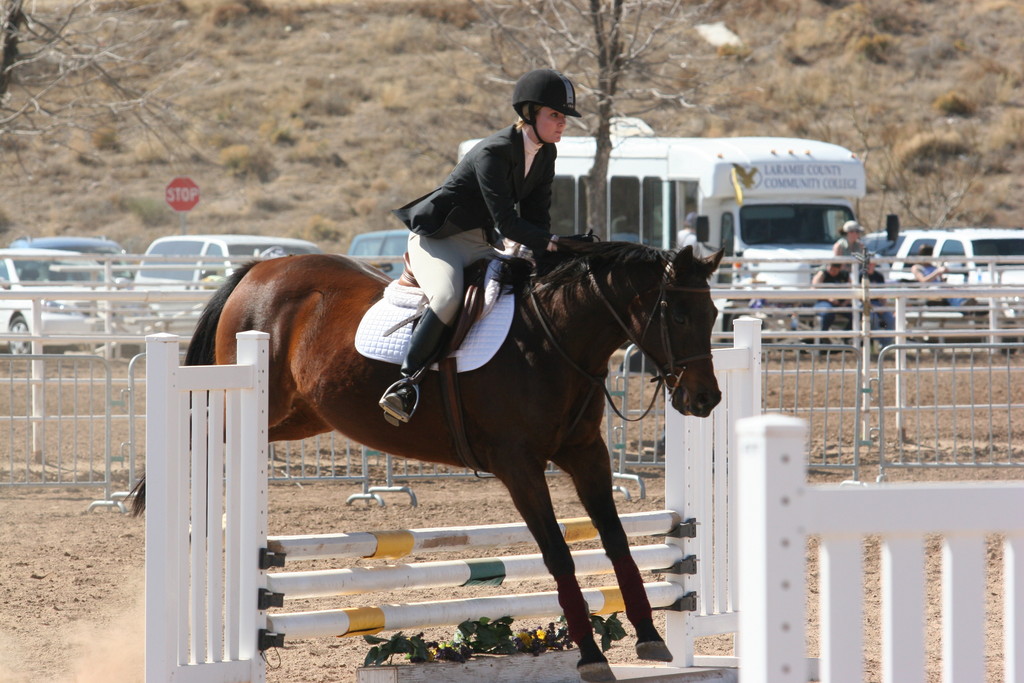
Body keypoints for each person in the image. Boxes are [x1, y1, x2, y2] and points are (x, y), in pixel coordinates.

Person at [379, 68, 581, 426]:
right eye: (555, 115)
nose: (562, 123)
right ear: (530, 113)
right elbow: (507, 221)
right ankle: (405, 384)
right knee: (447, 298)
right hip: (437, 240)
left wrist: (550, 253)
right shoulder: (494, 151)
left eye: (564, 116)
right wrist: (549, 242)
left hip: (478, 242)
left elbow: (537, 216)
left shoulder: (545, 154)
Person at [861, 259, 895, 349]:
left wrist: (883, 307)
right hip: (864, 304)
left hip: (878, 303)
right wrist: (875, 307)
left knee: (891, 319)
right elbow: (860, 298)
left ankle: (886, 346)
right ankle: (879, 340)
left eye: (873, 264)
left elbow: (883, 295)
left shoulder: (878, 276)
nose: (871, 266)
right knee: (872, 318)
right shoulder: (861, 275)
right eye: (869, 264)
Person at [811, 262, 852, 334]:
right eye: (830, 269)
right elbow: (814, 289)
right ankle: (823, 336)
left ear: (839, 269)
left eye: (834, 270)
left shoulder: (845, 275)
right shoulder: (823, 274)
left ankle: (846, 336)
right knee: (827, 313)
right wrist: (829, 298)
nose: (831, 272)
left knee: (857, 314)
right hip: (824, 302)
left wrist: (845, 303)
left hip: (841, 303)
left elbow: (851, 291)